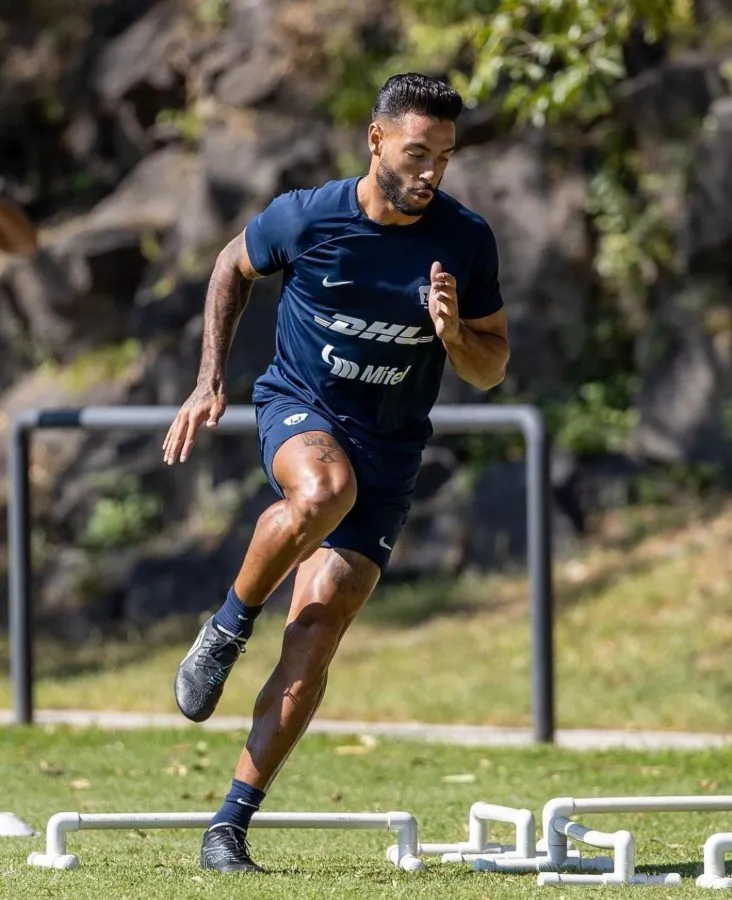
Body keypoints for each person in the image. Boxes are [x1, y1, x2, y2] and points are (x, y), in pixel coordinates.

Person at [162, 72, 510, 874]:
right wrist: (211, 378)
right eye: (417, 153)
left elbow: (491, 367)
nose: (430, 173)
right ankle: (227, 625)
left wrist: (454, 335)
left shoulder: (465, 240)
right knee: (322, 490)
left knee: (316, 638)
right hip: (302, 411)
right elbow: (229, 268)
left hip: (392, 449)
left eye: (445, 158)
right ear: (377, 140)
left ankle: (228, 828)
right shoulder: (309, 216)